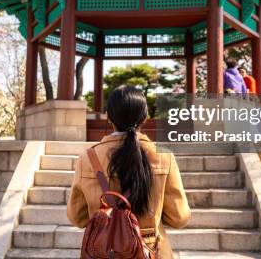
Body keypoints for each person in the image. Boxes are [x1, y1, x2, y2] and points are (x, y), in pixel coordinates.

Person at [67, 85, 190, 258]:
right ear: (145, 117)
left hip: (104, 252)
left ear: (109, 117)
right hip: (152, 252)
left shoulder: (87, 159)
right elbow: (179, 218)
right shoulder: (164, 157)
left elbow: (76, 218)